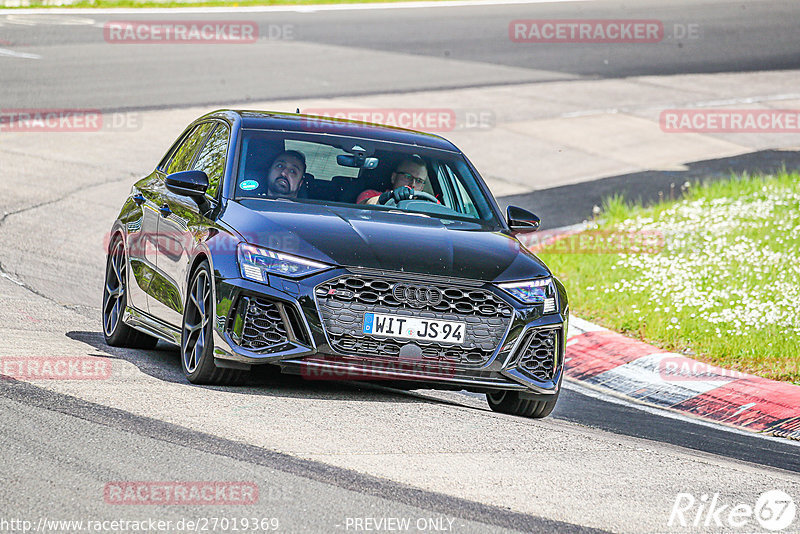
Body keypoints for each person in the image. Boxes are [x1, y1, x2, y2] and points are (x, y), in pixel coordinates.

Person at [357, 155, 429, 205]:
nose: (413, 184)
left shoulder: (424, 205)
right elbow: (363, 206)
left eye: (419, 181)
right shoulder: (373, 195)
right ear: (394, 177)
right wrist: (389, 196)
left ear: (422, 187)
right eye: (408, 177)